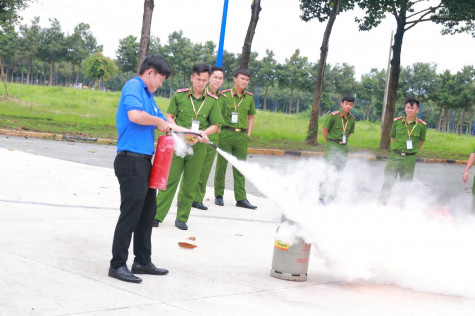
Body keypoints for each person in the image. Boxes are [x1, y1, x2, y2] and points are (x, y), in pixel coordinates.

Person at [110, 54, 181, 283]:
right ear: (149, 72)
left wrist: (193, 133)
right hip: (130, 161)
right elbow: (135, 116)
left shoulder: (149, 96)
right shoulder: (133, 86)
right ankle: (117, 264)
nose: (161, 84)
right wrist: (158, 122)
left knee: (147, 213)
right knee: (130, 214)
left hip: (144, 162)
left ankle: (142, 261)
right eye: (161, 78)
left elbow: (166, 122)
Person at [154, 63, 223, 230]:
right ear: (192, 77)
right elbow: (169, 116)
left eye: (204, 80)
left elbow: (216, 124)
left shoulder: (212, 101)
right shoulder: (180, 96)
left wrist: (202, 135)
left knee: (190, 183)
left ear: (208, 81)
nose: (201, 83)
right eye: (198, 79)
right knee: (170, 181)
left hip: (198, 147)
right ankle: (156, 215)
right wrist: (181, 131)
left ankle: (182, 218)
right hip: (178, 143)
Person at [177, 67, 225, 211]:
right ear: (209, 79)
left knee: (204, 170)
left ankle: (197, 199)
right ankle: (183, 198)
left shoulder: (222, 98)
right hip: (191, 136)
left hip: (210, 137)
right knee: (189, 170)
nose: (217, 80)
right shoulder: (198, 94)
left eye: (220, 78)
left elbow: (221, 119)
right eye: (215, 77)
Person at [214, 68, 257, 209]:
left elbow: (251, 117)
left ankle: (241, 198)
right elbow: (217, 114)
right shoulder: (224, 95)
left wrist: (248, 133)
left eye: (247, 80)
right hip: (226, 133)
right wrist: (219, 130)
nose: (244, 81)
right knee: (222, 165)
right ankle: (219, 195)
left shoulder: (249, 97)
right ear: (235, 79)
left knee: (240, 167)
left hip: (241, 136)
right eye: (242, 78)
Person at [378, 97, 427, 204]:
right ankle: (381, 205)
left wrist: (411, 150)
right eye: (408, 107)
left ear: (417, 110)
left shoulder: (421, 126)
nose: (410, 110)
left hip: (409, 159)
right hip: (395, 156)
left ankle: (400, 207)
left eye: (412, 108)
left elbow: (421, 141)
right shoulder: (397, 122)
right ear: (405, 108)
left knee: (405, 184)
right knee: (388, 182)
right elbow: (393, 137)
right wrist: (399, 149)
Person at [319, 94, 356, 203]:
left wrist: (341, 142)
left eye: (351, 105)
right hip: (332, 145)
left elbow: (348, 134)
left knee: (339, 172)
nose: (348, 106)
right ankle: (321, 196)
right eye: (346, 104)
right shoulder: (333, 116)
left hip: (343, 148)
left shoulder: (352, 120)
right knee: (327, 171)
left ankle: (332, 196)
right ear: (341, 104)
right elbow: (324, 131)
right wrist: (330, 142)